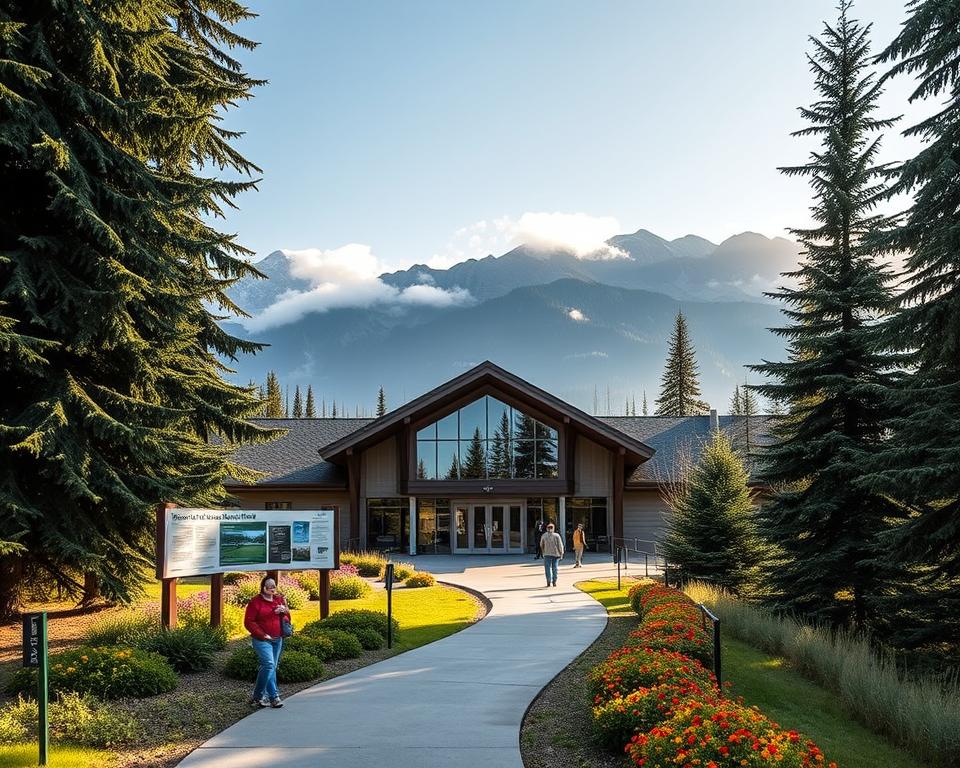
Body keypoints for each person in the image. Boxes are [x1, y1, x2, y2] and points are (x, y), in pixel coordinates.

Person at [243, 575, 290, 708]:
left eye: (274, 585)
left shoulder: (280, 599)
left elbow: (288, 617)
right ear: (263, 587)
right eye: (269, 586)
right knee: (269, 665)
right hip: (262, 639)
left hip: (278, 638)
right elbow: (249, 622)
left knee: (271, 668)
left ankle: (258, 697)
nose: (272, 588)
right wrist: (263, 635)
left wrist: (284, 611)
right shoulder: (255, 602)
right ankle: (273, 697)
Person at [539, 522, 564, 587]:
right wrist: (561, 553)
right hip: (554, 554)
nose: (550, 529)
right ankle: (553, 581)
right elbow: (560, 545)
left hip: (548, 554)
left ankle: (549, 581)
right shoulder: (556, 535)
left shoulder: (544, 535)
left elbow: (541, 545)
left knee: (548, 568)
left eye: (551, 527)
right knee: (554, 568)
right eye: (549, 527)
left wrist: (543, 552)